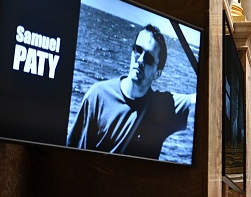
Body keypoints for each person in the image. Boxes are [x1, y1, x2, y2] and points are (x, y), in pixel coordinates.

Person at [67, 24, 195, 159]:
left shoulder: (162, 107)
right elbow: (73, 155)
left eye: (149, 58)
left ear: (158, 74)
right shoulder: (98, 96)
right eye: (138, 50)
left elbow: (204, 100)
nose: (140, 60)